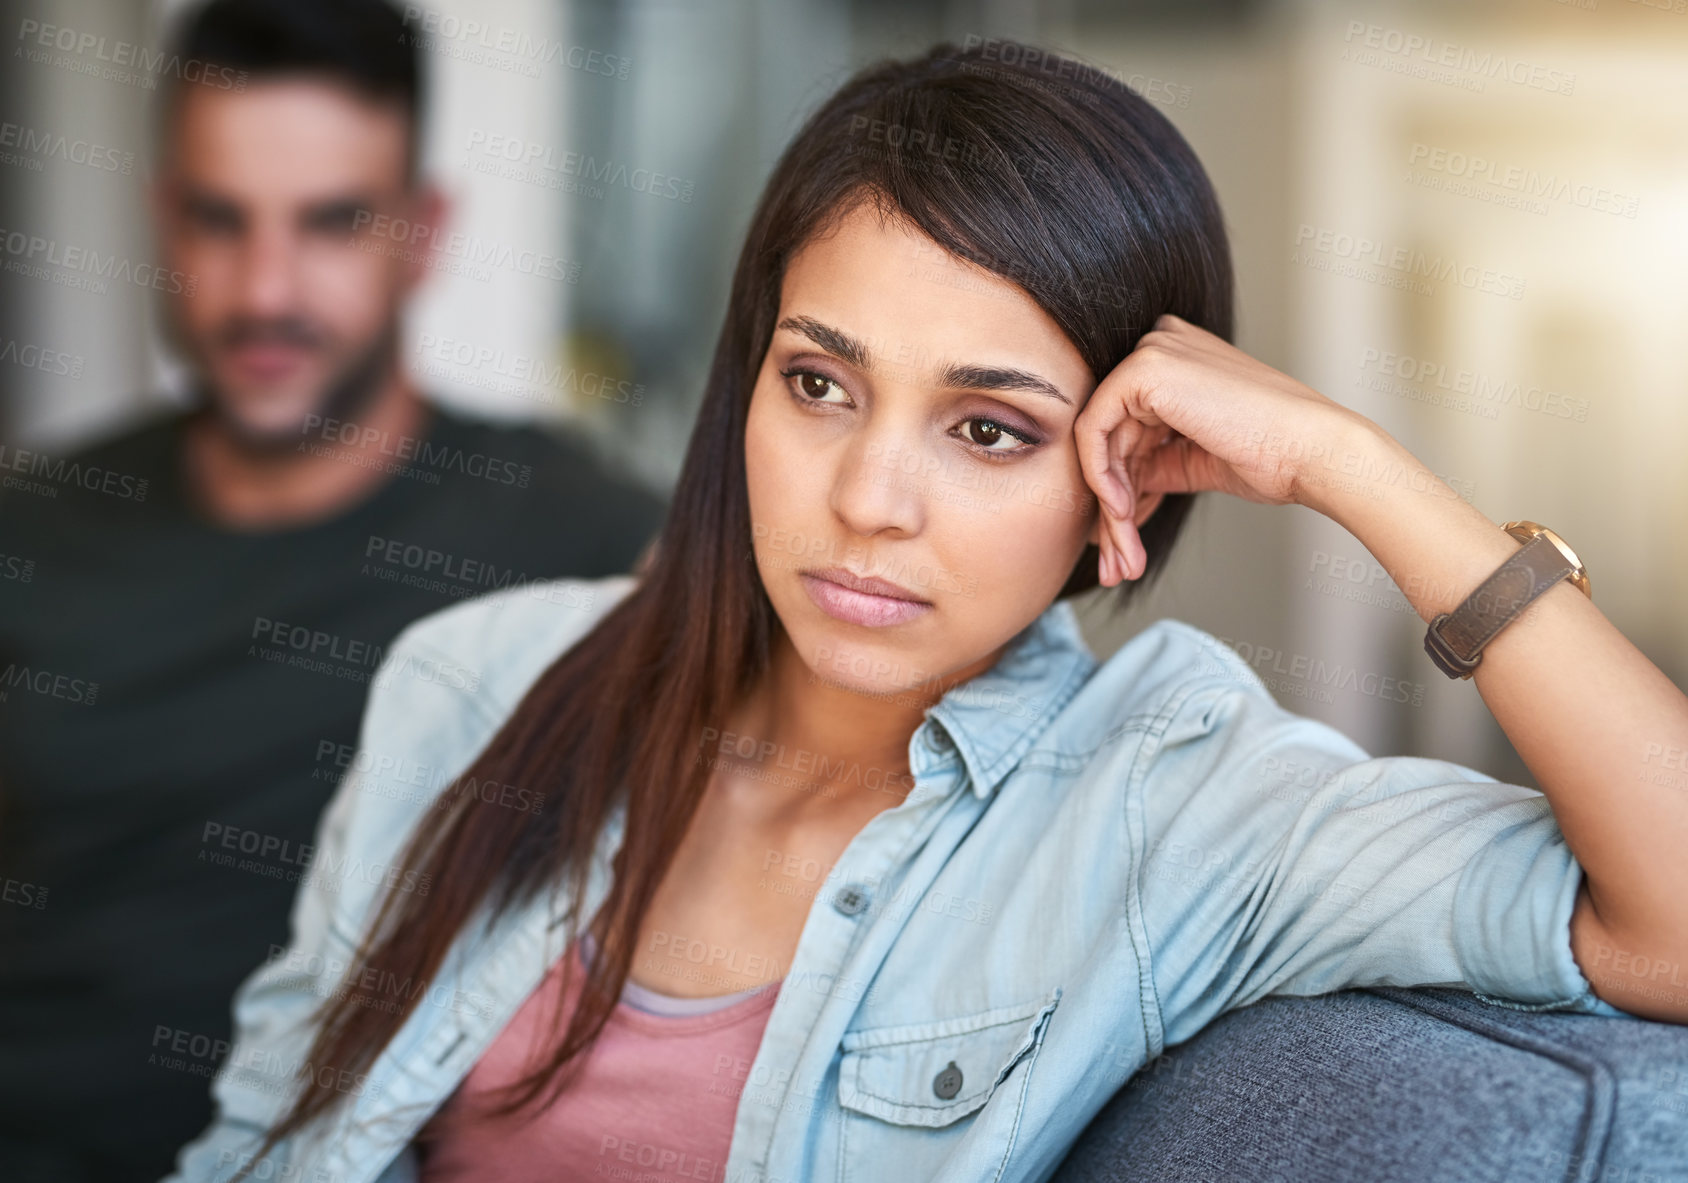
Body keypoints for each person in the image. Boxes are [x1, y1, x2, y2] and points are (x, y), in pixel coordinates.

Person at [168, 38, 1685, 1183]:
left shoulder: (1170, 801)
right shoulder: (478, 674)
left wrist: (1363, 468)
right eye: (819, 383)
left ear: (1127, 472)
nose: (869, 496)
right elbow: (262, 1130)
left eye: (989, 429)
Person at [0, 0, 664, 1179]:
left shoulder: (582, 540)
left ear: (423, 232)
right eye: (219, 219)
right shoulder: (31, 529)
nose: (265, 290)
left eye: (330, 224)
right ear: (163, 220)